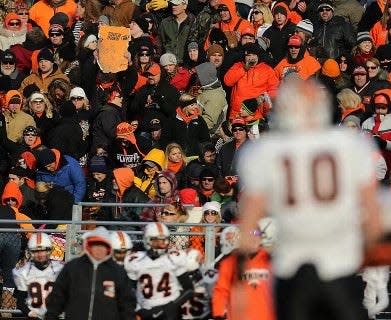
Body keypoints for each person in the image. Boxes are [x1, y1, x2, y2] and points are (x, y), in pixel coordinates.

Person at [237, 76, 383, 320]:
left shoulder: (263, 151)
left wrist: (241, 275)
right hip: (340, 264)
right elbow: (373, 215)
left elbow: (247, 226)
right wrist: (375, 270)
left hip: (291, 266)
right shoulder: (351, 144)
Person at [45, 226, 136, 320]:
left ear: (109, 248)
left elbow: (127, 303)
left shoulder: (117, 272)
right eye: (95, 244)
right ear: (88, 246)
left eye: (103, 245)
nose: (99, 249)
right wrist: (51, 316)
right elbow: (57, 297)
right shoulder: (73, 268)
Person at [124, 222, 194, 320]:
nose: (159, 244)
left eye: (163, 240)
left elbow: (189, 288)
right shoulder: (135, 260)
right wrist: (138, 310)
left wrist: (172, 306)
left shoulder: (174, 258)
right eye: (155, 240)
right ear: (146, 240)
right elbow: (130, 292)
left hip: (171, 310)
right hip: (146, 311)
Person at [13, 233, 63, 319]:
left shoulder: (60, 269)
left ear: (49, 250)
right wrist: (30, 313)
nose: (40, 254)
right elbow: (20, 301)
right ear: (30, 252)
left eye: (43, 250)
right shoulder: (24, 272)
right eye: (36, 251)